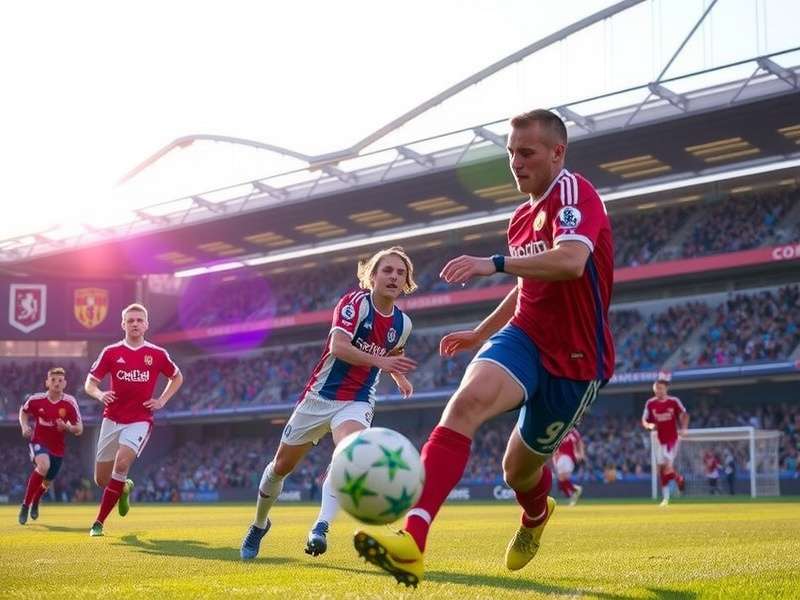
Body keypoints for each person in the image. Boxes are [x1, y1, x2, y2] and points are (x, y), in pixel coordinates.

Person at [353, 108, 614, 587]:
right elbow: (525, 288)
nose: (515, 162)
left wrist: (493, 262)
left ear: (557, 153)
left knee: (517, 471)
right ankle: (411, 542)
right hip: (524, 337)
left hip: (577, 359)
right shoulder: (520, 219)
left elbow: (572, 261)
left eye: (527, 152)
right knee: (465, 402)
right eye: (511, 153)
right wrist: (480, 332)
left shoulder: (575, 194)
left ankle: (536, 515)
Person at [240, 247, 418, 560]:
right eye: (387, 270)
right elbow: (339, 347)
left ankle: (320, 527)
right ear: (372, 276)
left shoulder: (403, 324)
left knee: (348, 452)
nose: (393, 277)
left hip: (357, 399)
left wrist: (399, 377)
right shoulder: (353, 304)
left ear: (406, 281)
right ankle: (259, 524)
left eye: (400, 272)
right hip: (319, 397)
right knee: (281, 468)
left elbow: (393, 354)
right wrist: (383, 361)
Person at [84, 303, 183, 536]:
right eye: (131, 321)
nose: (135, 324)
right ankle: (124, 487)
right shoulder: (111, 352)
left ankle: (98, 523)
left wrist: (162, 400)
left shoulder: (157, 354)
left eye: (139, 320)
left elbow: (177, 377)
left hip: (140, 419)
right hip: (112, 418)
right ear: (123, 325)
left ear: (146, 324)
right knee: (101, 479)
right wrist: (99, 394)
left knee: (121, 464)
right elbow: (90, 383)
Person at [17, 367, 83, 524]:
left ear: (65, 384)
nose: (56, 383)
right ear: (47, 383)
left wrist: (67, 427)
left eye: (60, 380)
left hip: (58, 448)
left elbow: (79, 429)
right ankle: (25, 505)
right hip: (39, 441)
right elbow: (23, 411)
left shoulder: (69, 402)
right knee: (43, 465)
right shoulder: (36, 399)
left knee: (47, 482)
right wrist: (24, 427)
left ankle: (36, 501)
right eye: (53, 380)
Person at [641, 376, 688, 506]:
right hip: (658, 439)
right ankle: (667, 496)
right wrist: (648, 425)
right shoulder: (650, 403)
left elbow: (684, 414)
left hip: (672, 438)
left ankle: (677, 482)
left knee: (667, 466)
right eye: (656, 390)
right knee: (661, 469)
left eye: (661, 389)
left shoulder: (674, 401)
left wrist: (684, 428)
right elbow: (644, 420)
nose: (658, 392)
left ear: (666, 389)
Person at [553, 428, 584, 505]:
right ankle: (574, 490)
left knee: (563, 478)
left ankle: (573, 492)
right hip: (559, 457)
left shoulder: (573, 431)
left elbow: (579, 442)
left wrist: (581, 454)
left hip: (569, 456)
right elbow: (554, 446)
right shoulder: (558, 430)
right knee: (561, 481)